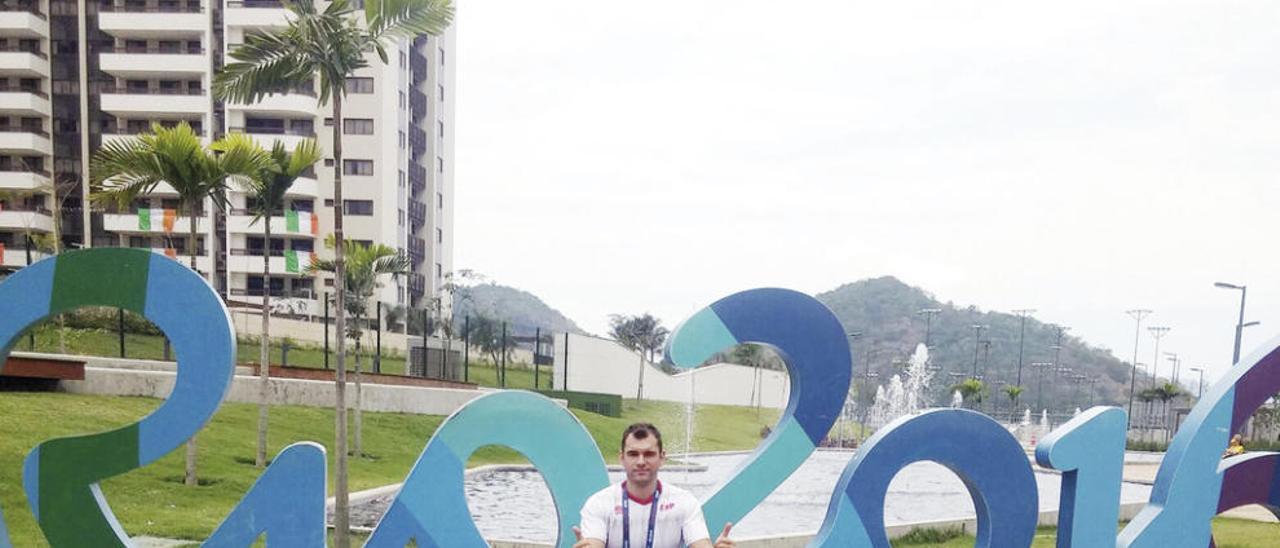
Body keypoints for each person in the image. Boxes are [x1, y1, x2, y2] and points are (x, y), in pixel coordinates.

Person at [573, 423, 735, 548]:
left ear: (662, 457)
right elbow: (593, 543)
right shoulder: (599, 503)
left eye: (649, 454)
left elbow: (700, 544)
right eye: (633, 454)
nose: (641, 461)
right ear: (622, 458)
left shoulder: (685, 502)